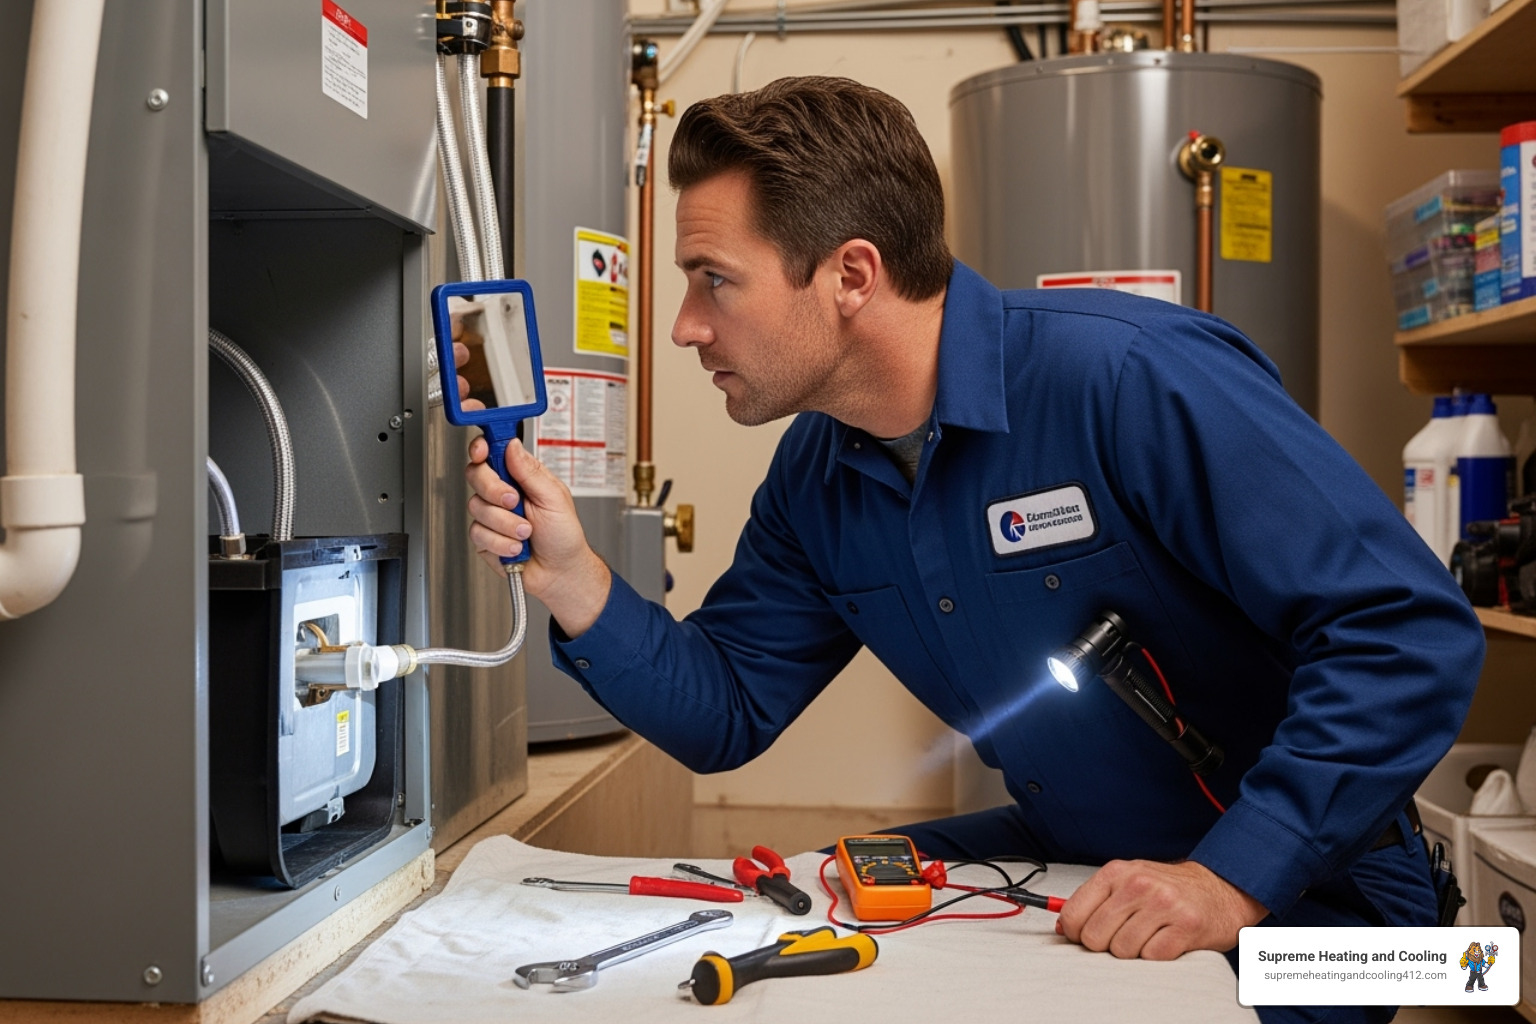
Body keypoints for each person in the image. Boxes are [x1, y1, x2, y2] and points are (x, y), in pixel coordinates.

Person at [461, 77, 1483, 1022]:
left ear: (851, 274)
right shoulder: (819, 473)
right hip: (1078, 853)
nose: (686, 327)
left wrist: (1231, 878)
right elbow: (726, 709)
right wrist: (575, 579)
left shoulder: (1129, 377)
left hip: (1331, 904)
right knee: (809, 910)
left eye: (713, 281)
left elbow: (1408, 632)